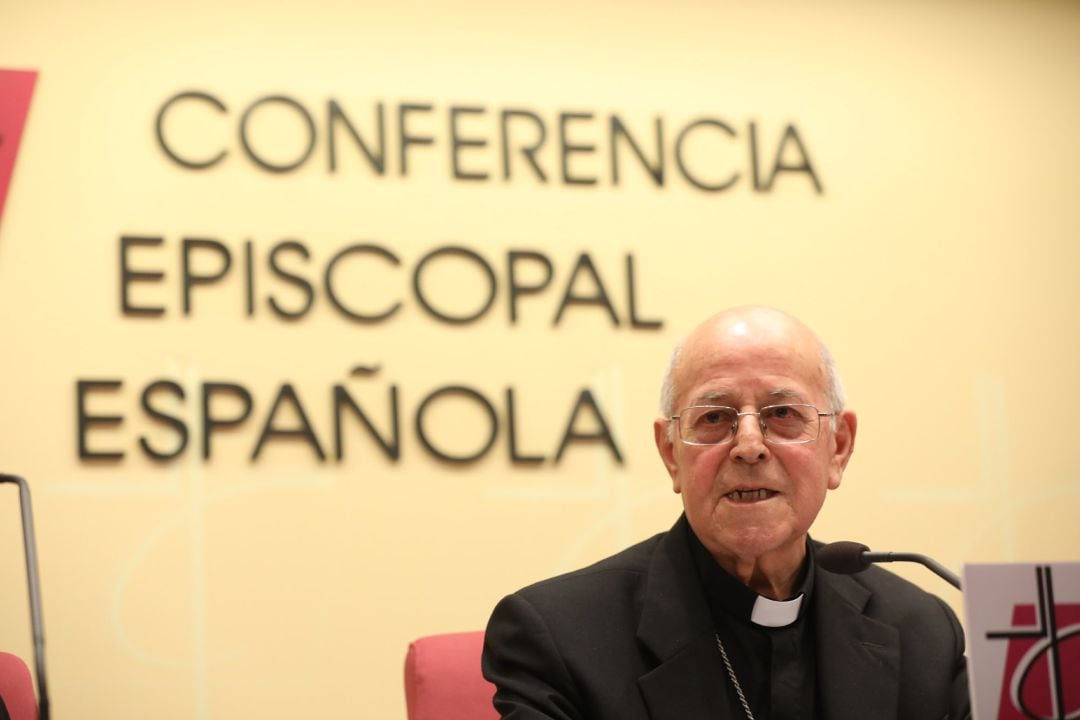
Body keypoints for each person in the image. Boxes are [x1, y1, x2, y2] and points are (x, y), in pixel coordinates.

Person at [482, 306, 970, 720]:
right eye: (714, 418)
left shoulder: (921, 632)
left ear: (838, 448)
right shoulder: (560, 639)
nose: (750, 446)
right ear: (671, 453)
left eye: (783, 414)